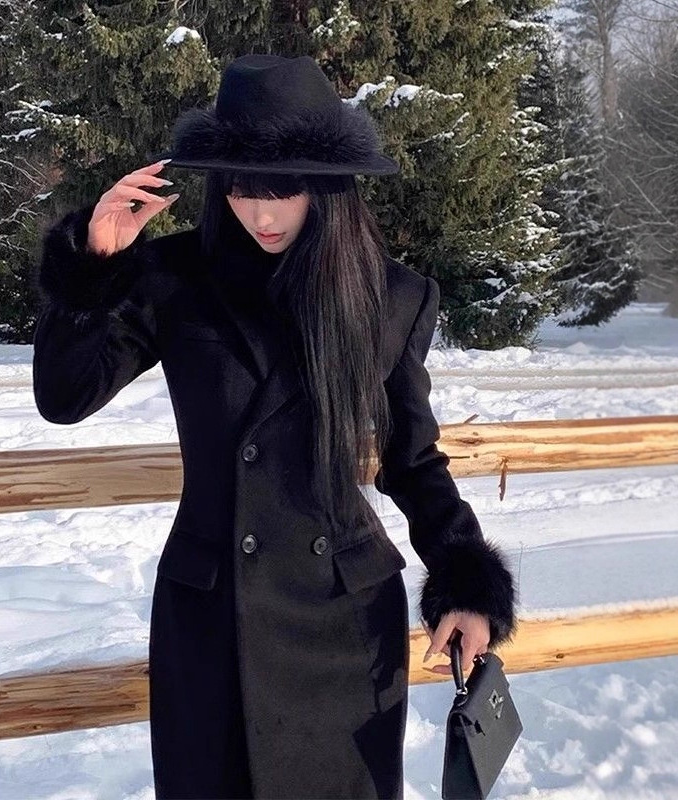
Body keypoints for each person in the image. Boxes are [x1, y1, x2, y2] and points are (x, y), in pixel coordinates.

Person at [32, 53, 518, 800]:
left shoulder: (390, 297)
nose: (262, 215)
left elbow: (413, 461)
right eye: (241, 190)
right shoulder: (174, 279)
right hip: (210, 616)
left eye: (283, 190)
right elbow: (64, 398)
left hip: (342, 626)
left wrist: (464, 583)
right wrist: (93, 264)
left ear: (325, 185)